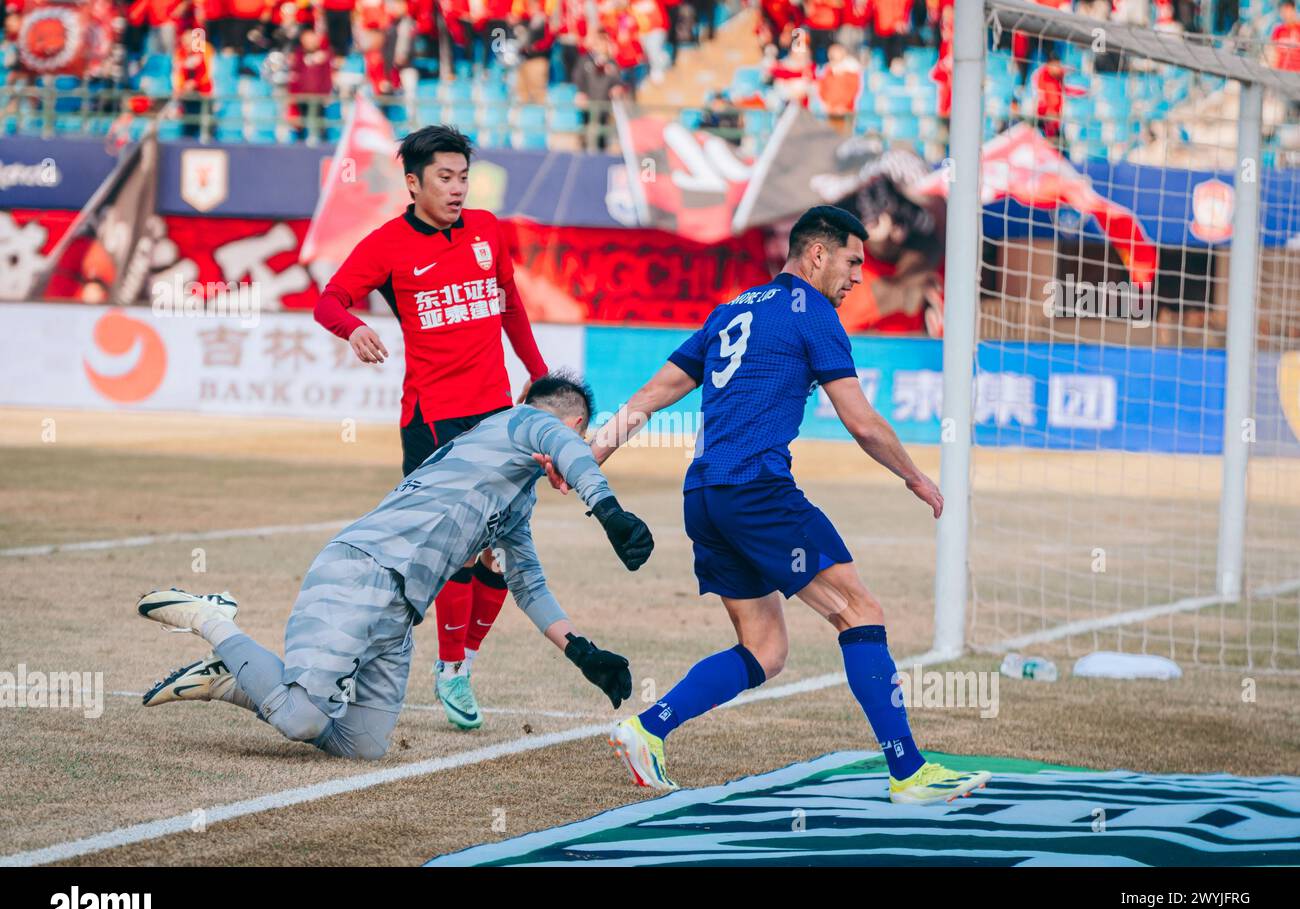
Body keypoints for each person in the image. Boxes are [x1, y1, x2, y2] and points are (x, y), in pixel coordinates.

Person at [554, 206, 991, 804]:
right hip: (756, 491)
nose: (859, 276)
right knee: (859, 611)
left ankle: (645, 728)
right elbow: (860, 422)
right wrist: (915, 476)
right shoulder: (813, 314)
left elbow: (652, 396)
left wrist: (588, 457)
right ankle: (908, 772)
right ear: (817, 254)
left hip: (705, 496)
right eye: (853, 261)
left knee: (766, 649)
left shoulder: (731, 308)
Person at [137, 374, 653, 761]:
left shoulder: (515, 499)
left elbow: (528, 584)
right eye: (581, 437)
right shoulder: (523, 421)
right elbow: (571, 453)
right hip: (360, 573)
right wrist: (608, 512)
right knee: (300, 719)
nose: (582, 449)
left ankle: (232, 678)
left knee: (362, 746)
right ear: (572, 425)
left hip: (399, 613)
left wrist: (582, 653)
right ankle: (210, 620)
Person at [312, 125, 550, 730]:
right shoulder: (388, 244)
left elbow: (511, 308)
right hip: (434, 420)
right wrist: (354, 328)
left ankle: (461, 664)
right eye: (444, 177)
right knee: (456, 553)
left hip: (497, 414)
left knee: (500, 554)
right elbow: (329, 301)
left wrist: (541, 380)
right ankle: (445, 667)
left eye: (463, 176)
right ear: (413, 183)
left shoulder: (488, 230)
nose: (457, 189)